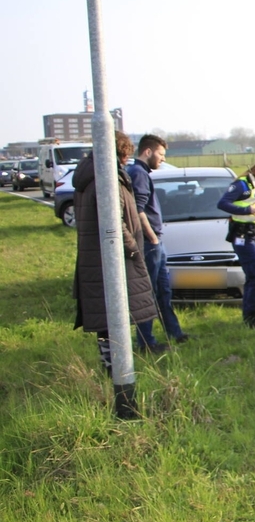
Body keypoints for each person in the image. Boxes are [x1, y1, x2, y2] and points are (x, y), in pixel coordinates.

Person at [73, 131, 160, 377]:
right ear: (116, 154)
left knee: (106, 317)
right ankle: (118, 373)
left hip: (95, 257)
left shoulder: (88, 176)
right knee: (112, 315)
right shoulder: (104, 180)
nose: (126, 161)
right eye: (124, 156)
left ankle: (113, 367)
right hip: (109, 258)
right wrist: (133, 249)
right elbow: (113, 222)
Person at [126, 134, 189, 349]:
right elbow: (138, 210)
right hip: (150, 243)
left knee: (163, 290)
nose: (163, 159)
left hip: (155, 243)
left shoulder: (139, 172)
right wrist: (152, 238)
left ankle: (175, 333)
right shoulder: (139, 173)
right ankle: (146, 342)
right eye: (161, 154)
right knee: (149, 292)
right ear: (148, 152)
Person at [217, 156, 255, 330]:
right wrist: (247, 209)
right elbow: (222, 203)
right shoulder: (242, 185)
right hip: (243, 236)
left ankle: (251, 313)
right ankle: (251, 318)